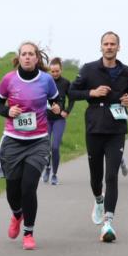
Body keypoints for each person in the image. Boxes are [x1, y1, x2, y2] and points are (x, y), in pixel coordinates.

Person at [0, 41, 60, 250]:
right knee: (13, 190)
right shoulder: (9, 79)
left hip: (38, 141)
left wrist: (56, 109)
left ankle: (28, 232)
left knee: (29, 187)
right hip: (13, 140)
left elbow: (57, 101)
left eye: (31, 54)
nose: (28, 57)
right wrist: (7, 111)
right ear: (19, 57)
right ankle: (17, 215)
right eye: (24, 54)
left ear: (37, 58)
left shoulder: (47, 80)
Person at [69, 31, 128, 243]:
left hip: (116, 129)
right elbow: (71, 91)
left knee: (111, 176)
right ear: (100, 47)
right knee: (96, 177)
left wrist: (127, 98)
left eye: (112, 44)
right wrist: (92, 93)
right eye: (106, 44)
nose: (109, 47)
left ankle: (108, 223)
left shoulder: (125, 71)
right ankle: (98, 200)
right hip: (95, 128)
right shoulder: (89, 69)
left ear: (118, 47)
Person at [43, 57, 74, 185]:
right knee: (45, 147)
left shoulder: (66, 83)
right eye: (52, 71)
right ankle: (47, 168)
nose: (55, 74)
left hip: (59, 120)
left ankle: (54, 174)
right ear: (49, 71)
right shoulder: (45, 82)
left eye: (57, 71)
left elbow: (72, 98)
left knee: (55, 147)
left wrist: (66, 111)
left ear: (61, 70)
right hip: (46, 118)